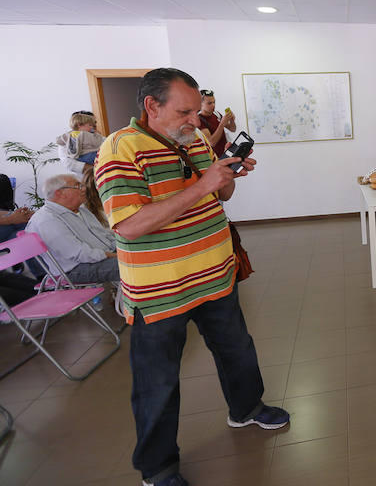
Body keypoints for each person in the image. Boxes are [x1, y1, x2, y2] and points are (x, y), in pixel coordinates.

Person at [95, 68, 287, 486]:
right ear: (152, 106)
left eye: (196, 111)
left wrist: (225, 175)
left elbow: (221, 195)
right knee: (158, 381)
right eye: (184, 111)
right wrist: (202, 186)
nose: (195, 120)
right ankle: (158, 467)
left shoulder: (194, 139)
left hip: (216, 277)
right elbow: (128, 225)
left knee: (237, 350)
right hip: (160, 293)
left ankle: (247, 410)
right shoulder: (118, 149)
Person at [25, 174, 119, 284]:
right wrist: (117, 255)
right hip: (75, 270)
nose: (84, 189)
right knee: (134, 265)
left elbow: (104, 235)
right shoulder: (46, 220)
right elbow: (79, 254)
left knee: (140, 250)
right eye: (78, 186)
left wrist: (122, 247)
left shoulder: (81, 210)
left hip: (101, 257)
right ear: (59, 193)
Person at [198, 89, 236, 158]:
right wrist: (222, 124)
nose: (213, 105)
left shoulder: (216, 114)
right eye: (209, 103)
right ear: (200, 104)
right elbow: (211, 143)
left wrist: (232, 120)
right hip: (213, 159)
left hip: (225, 155)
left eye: (214, 102)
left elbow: (233, 129)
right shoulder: (199, 120)